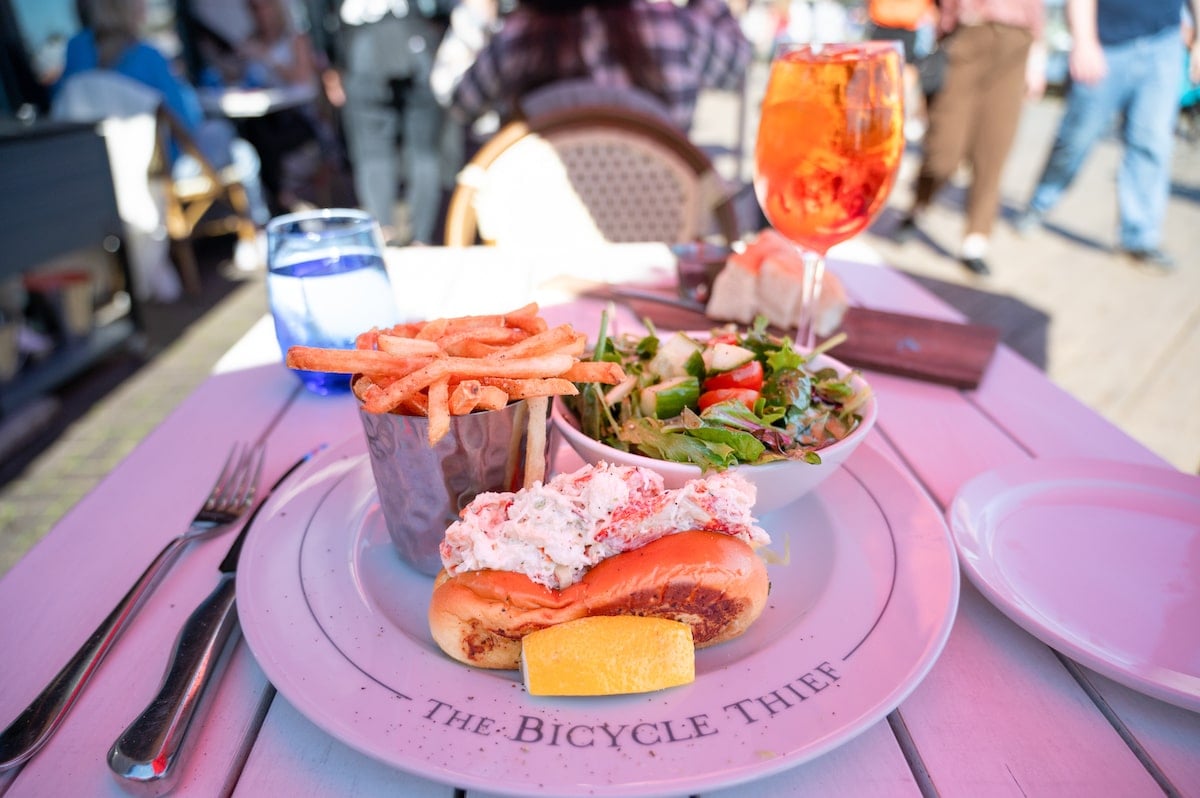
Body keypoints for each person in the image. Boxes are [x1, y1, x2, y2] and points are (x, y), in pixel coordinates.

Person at [1013, 0, 1200, 272]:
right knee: (1076, 137)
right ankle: (1040, 204)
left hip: (1164, 41)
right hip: (1105, 42)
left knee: (1152, 143)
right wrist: (1084, 41)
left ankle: (1139, 238)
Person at [433, 0, 753, 135]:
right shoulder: (674, 24)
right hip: (660, 229)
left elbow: (459, 100)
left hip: (535, 236)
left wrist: (476, 10)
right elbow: (737, 67)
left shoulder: (517, 37)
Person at [894, 0, 1046, 276]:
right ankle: (918, 207)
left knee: (993, 152)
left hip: (1016, 44)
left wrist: (1038, 60)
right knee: (943, 152)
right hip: (967, 35)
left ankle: (975, 241)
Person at [335, 1, 451, 245]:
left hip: (365, 52)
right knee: (421, 153)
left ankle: (386, 234)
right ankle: (419, 239)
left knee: (377, 153)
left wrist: (332, 60)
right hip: (414, 44)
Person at [863, 0, 939, 140]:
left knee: (907, 74)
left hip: (909, 25)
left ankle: (909, 118)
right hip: (883, 23)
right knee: (881, 77)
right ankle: (883, 121)